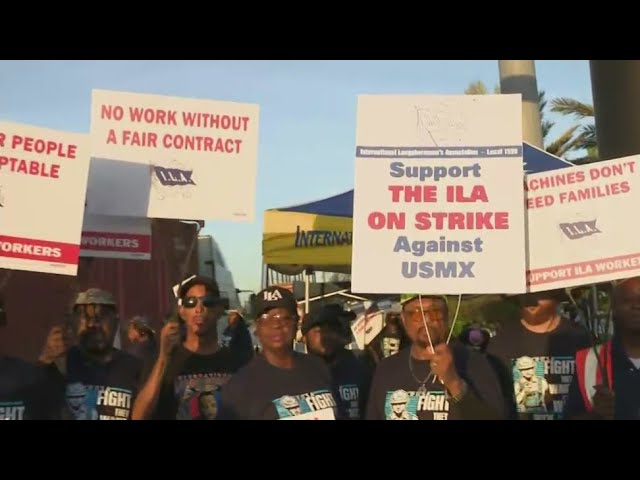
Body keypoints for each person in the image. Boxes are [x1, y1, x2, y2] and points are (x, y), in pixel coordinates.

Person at [366, 294, 506, 420]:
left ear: (447, 316)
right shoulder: (387, 369)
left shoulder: (475, 363)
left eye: (435, 312)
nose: (427, 320)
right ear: (403, 319)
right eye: (416, 313)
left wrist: (454, 383)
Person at [132, 276, 247, 420]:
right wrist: (163, 358)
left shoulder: (237, 362)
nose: (199, 309)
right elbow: (138, 416)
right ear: (182, 312)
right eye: (191, 302)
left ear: (219, 310)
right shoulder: (162, 360)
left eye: (208, 302)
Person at [218, 286, 338, 420]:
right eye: (266, 317)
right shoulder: (238, 387)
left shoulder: (318, 367)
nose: (276, 324)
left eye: (284, 317)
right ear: (257, 327)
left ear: (296, 322)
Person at [38, 288, 144, 420]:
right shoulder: (62, 364)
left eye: (101, 316)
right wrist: (45, 360)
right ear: (74, 323)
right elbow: (35, 403)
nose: (93, 324)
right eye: (85, 317)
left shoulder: (133, 368)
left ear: (116, 323)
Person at [487, 290, 591, 420]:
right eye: (525, 292)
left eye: (539, 293)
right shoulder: (499, 344)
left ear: (556, 295)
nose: (531, 300)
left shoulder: (581, 338)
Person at [565, 277, 640, 420]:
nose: (636, 306)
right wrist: (595, 414)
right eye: (627, 300)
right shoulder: (589, 361)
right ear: (614, 308)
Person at [302, 303, 371, 420]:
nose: (328, 335)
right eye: (319, 331)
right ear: (304, 338)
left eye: (334, 328)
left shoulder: (362, 369)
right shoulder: (295, 374)